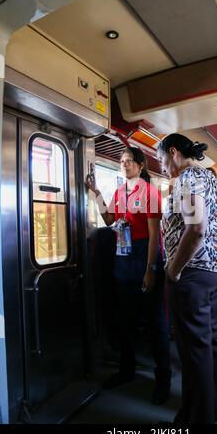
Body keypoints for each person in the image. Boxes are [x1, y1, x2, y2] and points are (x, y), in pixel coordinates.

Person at [157, 133, 217, 425]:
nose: (161, 166)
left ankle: (198, 418)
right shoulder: (207, 178)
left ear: (173, 153)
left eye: (161, 159)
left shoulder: (186, 179)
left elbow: (196, 229)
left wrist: (173, 270)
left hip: (195, 273)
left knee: (195, 346)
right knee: (216, 338)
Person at [86, 147, 171, 405]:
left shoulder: (150, 193)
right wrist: (97, 193)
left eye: (129, 162)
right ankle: (127, 370)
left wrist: (150, 269)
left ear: (141, 165)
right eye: (122, 162)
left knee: (156, 322)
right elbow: (110, 219)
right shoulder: (120, 192)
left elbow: (155, 234)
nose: (124, 165)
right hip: (123, 258)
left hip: (144, 255)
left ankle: (164, 378)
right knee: (125, 319)